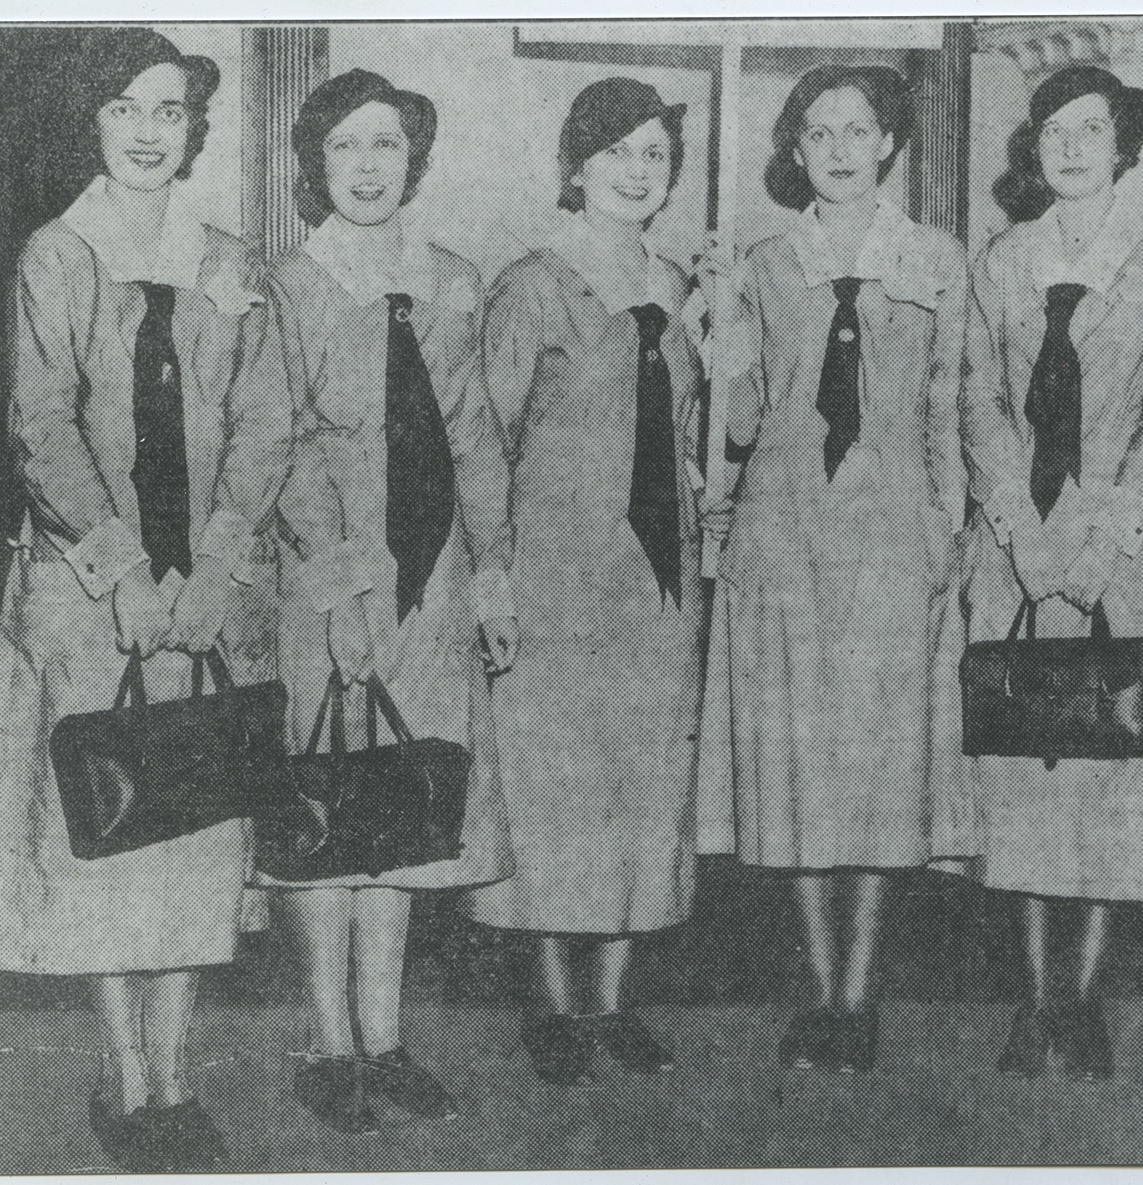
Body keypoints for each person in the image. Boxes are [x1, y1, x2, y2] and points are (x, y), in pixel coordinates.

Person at [0, 29, 290, 1171]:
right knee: (108, 833)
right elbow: (38, 426)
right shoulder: (56, 254)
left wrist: (209, 569)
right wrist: (124, 569)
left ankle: (178, 1069)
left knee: (197, 832)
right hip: (89, 592)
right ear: (94, 124)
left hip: (207, 597)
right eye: (127, 110)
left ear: (193, 130)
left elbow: (267, 421)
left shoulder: (231, 259)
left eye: (170, 112)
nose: (152, 131)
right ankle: (125, 1080)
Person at [695, 64, 968, 1075]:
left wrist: (950, 527)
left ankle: (864, 990)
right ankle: (820, 994)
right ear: (797, 149)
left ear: (889, 143)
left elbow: (947, 404)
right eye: (820, 133)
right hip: (784, 530)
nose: (841, 148)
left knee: (882, 768)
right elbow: (732, 427)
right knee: (800, 770)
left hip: (896, 529)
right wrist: (718, 319)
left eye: (859, 130)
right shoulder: (764, 263)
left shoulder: (937, 259)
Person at [264, 69, 515, 1133]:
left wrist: (495, 574)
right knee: (331, 805)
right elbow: (285, 447)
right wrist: (342, 590)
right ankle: (328, 1044)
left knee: (408, 803)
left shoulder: (453, 279)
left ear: (413, 160)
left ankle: (385, 1035)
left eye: (386, 148)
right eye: (346, 150)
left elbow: (474, 438)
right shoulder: (290, 282)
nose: (369, 168)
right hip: (333, 572)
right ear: (316, 169)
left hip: (440, 574)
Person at [457, 77, 707, 1086]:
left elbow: (689, 434)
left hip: (658, 577)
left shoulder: (683, 285)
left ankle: (613, 1001)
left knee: (645, 783)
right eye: (619, 154)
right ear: (578, 166)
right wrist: (492, 575)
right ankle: (553, 1005)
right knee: (556, 788)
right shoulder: (532, 283)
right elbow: (484, 441)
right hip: (559, 573)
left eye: (655, 154)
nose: (638, 171)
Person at [959, 65, 1143, 1080]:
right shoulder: (1001, 259)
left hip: (1119, 555)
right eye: (1053, 129)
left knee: (1104, 775)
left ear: (1122, 145)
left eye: (1089, 129)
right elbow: (980, 403)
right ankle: (1031, 1000)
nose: (1069, 146)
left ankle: (1082, 1000)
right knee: (1020, 774)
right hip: (1018, 552)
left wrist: (1103, 541)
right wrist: (1023, 532)